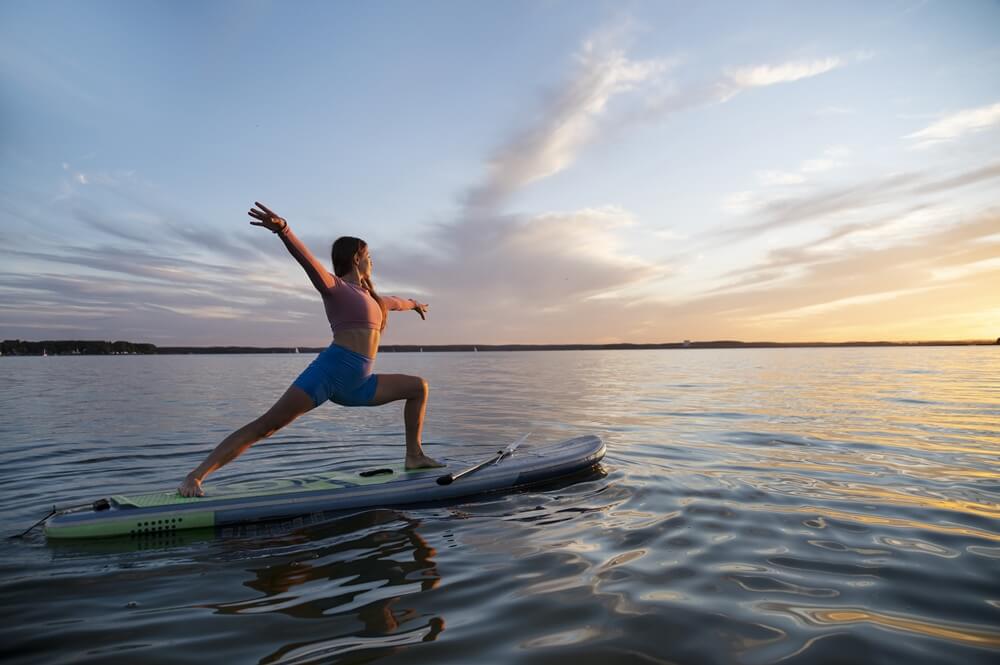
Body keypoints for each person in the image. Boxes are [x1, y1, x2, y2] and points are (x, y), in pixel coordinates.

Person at [177, 202, 442, 497]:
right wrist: (284, 230)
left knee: (419, 387)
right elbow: (308, 262)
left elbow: (398, 301)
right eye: (370, 257)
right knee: (267, 426)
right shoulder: (336, 288)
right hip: (328, 373)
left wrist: (416, 304)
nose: (372, 263)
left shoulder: (375, 299)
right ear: (357, 258)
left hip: (360, 384)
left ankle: (414, 456)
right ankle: (195, 476)